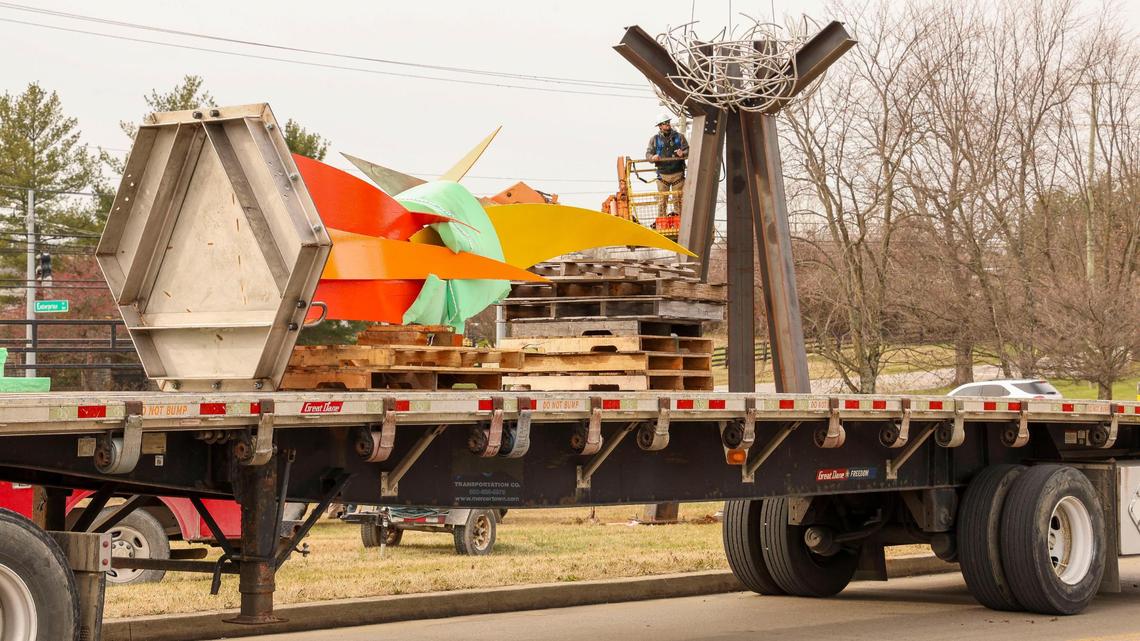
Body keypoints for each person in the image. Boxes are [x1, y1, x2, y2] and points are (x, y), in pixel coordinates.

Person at [645, 113, 689, 218]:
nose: (667, 125)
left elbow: (688, 150)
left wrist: (683, 153)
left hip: (677, 174)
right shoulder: (654, 140)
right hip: (662, 176)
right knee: (662, 202)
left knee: (678, 201)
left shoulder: (679, 137)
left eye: (668, 122)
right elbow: (648, 154)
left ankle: (680, 223)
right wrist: (652, 157)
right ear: (660, 126)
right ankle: (662, 223)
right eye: (665, 123)